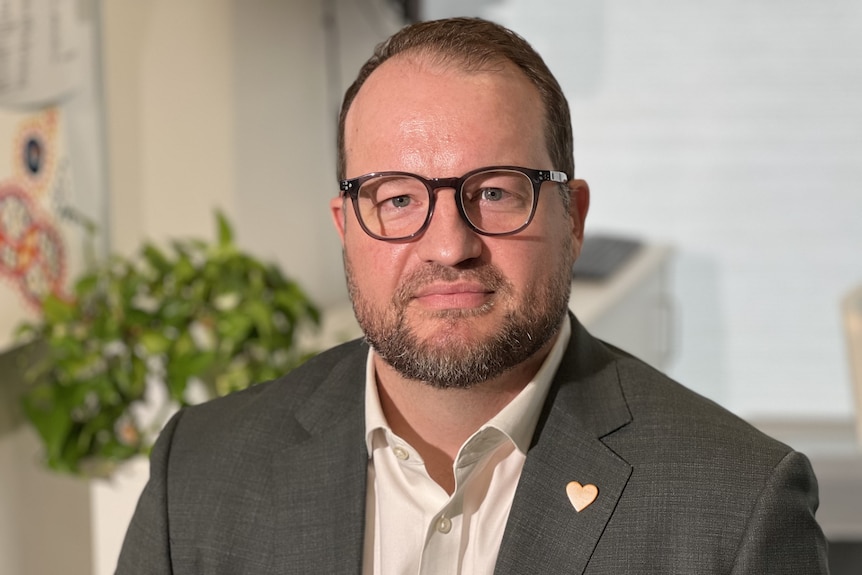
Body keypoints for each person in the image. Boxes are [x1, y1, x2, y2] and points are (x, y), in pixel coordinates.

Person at [116, 17, 829, 574]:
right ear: (346, 228)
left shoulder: (735, 507)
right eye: (396, 199)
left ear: (571, 219)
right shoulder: (201, 476)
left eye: (492, 192)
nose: (449, 244)